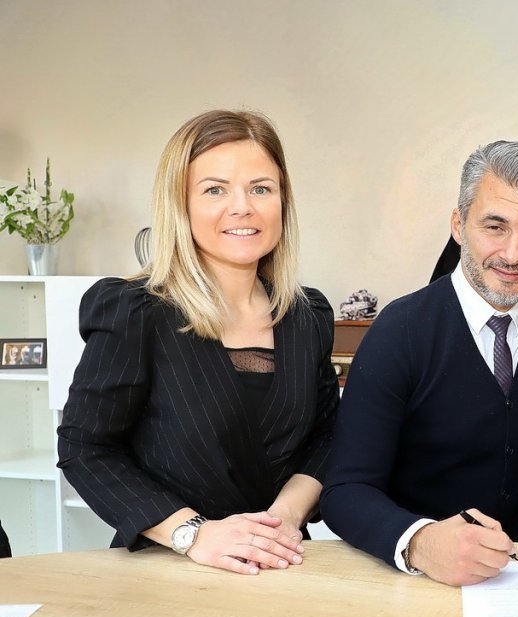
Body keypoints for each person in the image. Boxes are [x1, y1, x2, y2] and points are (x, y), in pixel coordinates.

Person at [320, 141, 518, 586]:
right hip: (407, 578)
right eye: (495, 227)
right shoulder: (398, 331)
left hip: (514, 579)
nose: (514, 255)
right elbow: (345, 490)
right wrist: (420, 542)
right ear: (459, 225)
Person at [57, 110, 339, 575]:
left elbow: (328, 437)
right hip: (167, 566)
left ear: (282, 202)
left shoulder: (307, 315)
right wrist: (195, 534)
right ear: (180, 205)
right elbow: (86, 448)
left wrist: (285, 517)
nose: (242, 207)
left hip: (280, 563)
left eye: (261, 188)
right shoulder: (135, 310)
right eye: (215, 189)